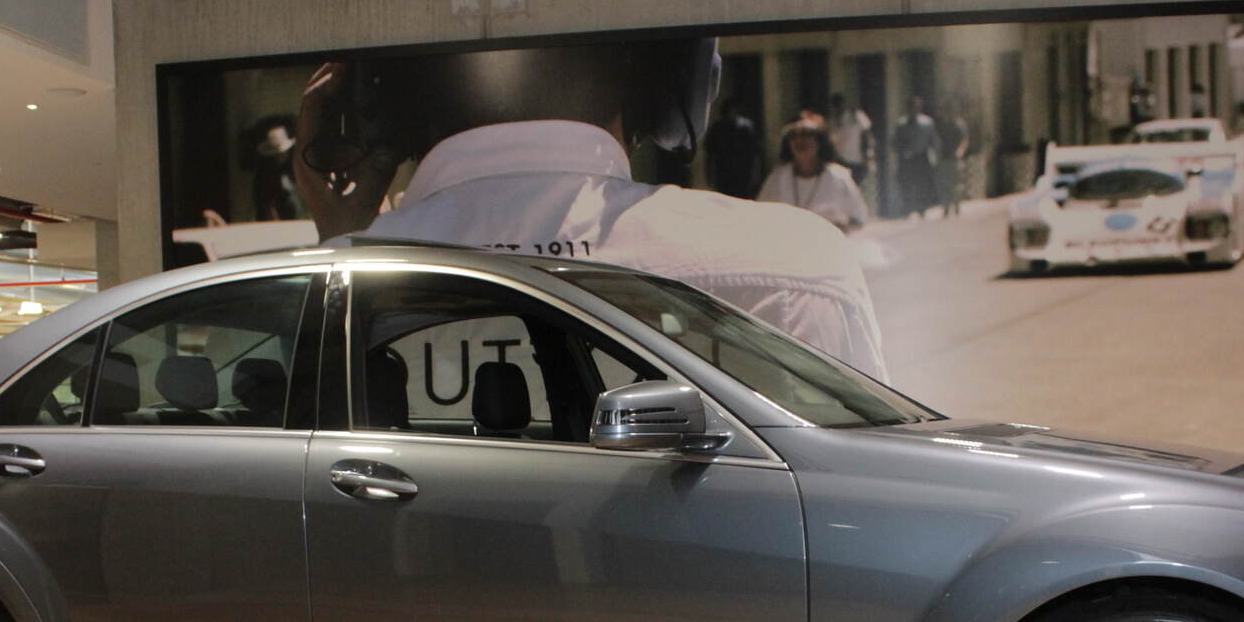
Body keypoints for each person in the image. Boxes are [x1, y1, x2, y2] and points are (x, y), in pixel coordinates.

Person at [291, 44, 890, 380]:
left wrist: (347, 257)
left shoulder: (316, 296)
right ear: (676, 82)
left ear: (376, 101)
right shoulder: (799, 265)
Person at [756, 116, 869, 233]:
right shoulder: (778, 176)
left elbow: (859, 218)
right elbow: (759, 214)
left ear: (820, 141)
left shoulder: (838, 176)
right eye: (793, 136)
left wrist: (838, 230)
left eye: (807, 134)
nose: (800, 140)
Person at [701, 98, 764, 200]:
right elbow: (710, 154)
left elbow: (755, 152)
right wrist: (709, 174)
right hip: (724, 173)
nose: (732, 114)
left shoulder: (746, 127)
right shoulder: (718, 128)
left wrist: (756, 172)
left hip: (743, 173)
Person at [892, 95, 942, 220]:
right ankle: (907, 207)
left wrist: (935, 155)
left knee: (922, 182)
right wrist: (902, 150)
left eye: (916, 107)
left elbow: (934, 140)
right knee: (906, 182)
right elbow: (895, 141)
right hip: (906, 158)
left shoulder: (927, 123)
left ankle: (922, 207)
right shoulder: (902, 124)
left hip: (921, 156)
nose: (913, 110)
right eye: (911, 107)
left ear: (919, 108)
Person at [827, 93, 873, 191]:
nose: (839, 107)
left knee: (860, 188)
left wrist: (867, 154)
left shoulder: (856, 116)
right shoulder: (832, 122)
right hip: (841, 161)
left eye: (840, 104)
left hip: (858, 160)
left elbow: (866, 134)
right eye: (836, 105)